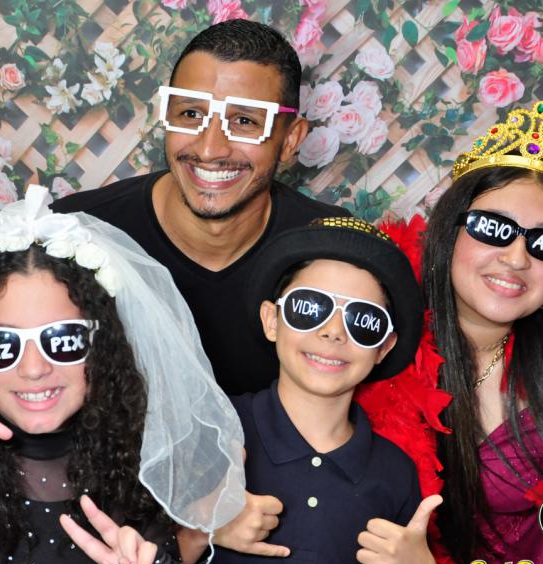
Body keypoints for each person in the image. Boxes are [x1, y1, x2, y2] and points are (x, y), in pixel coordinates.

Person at [0, 186, 245, 564]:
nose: (34, 369)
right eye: (0, 344)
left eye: (64, 340)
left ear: (102, 347)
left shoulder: (135, 478)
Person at [52, 18, 348, 396]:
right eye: (191, 114)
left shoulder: (337, 250)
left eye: (244, 121)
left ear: (290, 140)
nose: (210, 149)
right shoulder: (72, 233)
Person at [187, 216, 440, 564]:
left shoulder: (395, 472)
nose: (333, 332)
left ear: (384, 347)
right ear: (272, 320)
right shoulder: (211, 428)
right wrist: (203, 530)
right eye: (310, 308)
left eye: (363, 321)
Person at [422, 101, 543, 564]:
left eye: (542, 243)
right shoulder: (369, 346)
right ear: (449, 231)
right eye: (494, 228)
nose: (517, 258)